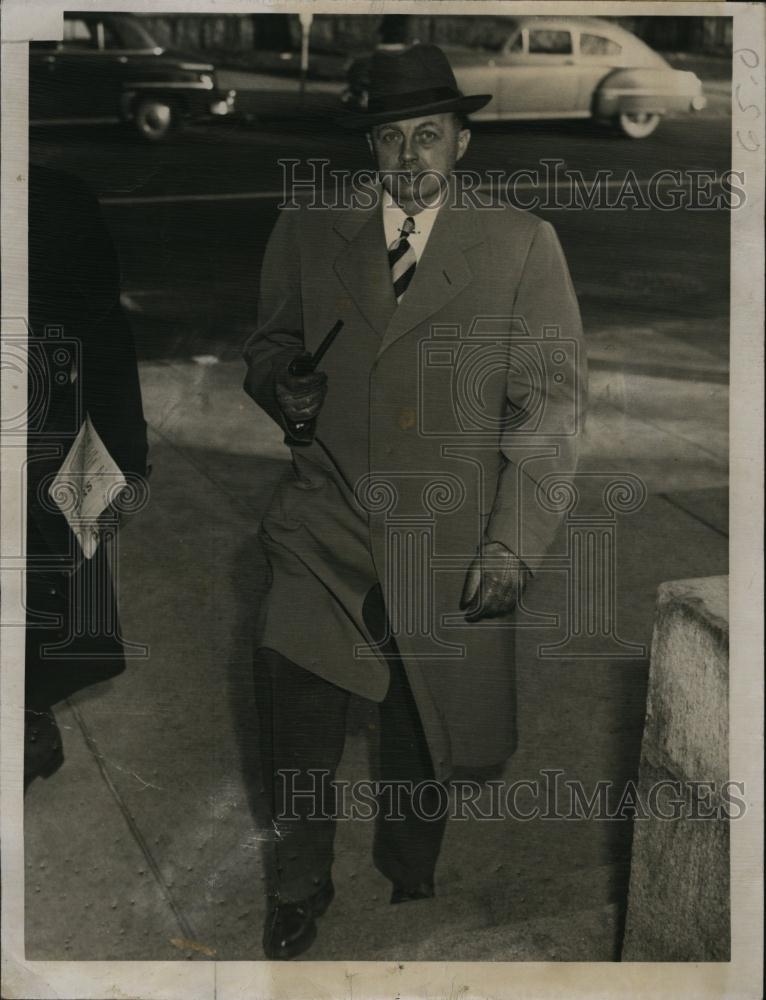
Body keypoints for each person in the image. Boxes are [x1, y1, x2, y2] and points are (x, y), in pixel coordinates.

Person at [243, 43, 586, 959]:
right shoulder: (313, 232)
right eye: (389, 138)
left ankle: (410, 875)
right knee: (297, 709)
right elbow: (270, 347)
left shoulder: (521, 246)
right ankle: (297, 885)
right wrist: (285, 387)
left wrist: (512, 546)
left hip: (447, 535)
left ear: (462, 143)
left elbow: (550, 413)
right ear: (370, 148)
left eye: (428, 136)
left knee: (419, 730)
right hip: (322, 524)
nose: (409, 158)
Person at [24, 165, 148, 789]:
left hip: (32, 454)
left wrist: (125, 464)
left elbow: (102, 334)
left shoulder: (55, 199)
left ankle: (27, 723)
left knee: (38, 612)